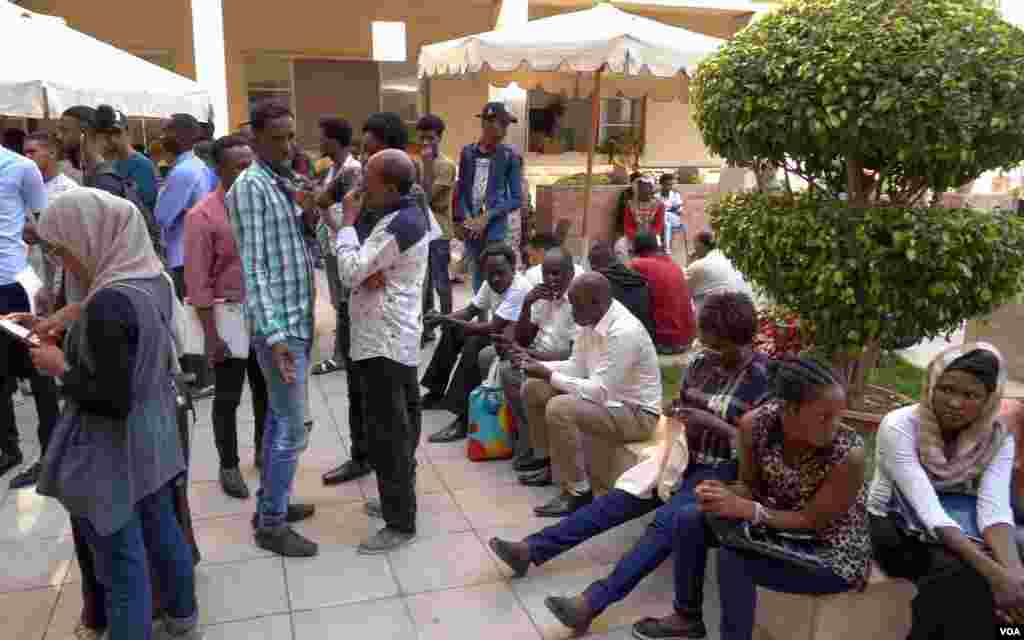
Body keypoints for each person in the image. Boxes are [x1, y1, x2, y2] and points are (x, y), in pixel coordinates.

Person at [491, 292, 771, 630]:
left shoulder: (762, 378)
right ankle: (531, 550)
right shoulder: (701, 363)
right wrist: (678, 411)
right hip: (680, 456)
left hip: (725, 470)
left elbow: (758, 448)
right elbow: (680, 403)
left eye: (715, 346)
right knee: (614, 502)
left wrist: (711, 422)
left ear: (734, 341)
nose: (706, 351)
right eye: (705, 343)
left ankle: (592, 602)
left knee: (666, 524)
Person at [28, 188, 200, 640]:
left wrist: (58, 366)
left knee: (121, 564)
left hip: (112, 447)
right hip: (154, 431)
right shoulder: (151, 279)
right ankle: (182, 619)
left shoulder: (109, 303)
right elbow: (124, 333)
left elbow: (109, 397)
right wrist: (69, 316)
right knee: (163, 527)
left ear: (91, 236)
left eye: (64, 249)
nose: (64, 262)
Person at [632, 357, 871, 640]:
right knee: (689, 517)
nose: (835, 425)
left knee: (736, 560)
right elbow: (751, 487)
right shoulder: (756, 426)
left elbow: (812, 520)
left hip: (829, 551)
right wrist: (720, 493)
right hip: (777, 525)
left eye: (839, 415)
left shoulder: (848, 454)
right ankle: (687, 617)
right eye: (824, 416)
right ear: (788, 409)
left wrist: (749, 510)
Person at [868, 344, 1021, 638]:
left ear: (989, 400)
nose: (954, 403)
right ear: (931, 385)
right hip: (895, 526)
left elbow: (995, 508)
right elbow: (928, 511)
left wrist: (1014, 576)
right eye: (947, 389)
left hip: (961, 519)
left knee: (1009, 567)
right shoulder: (899, 426)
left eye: (970, 395)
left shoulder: (997, 437)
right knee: (960, 573)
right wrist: (995, 573)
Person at [319, 111, 432, 487]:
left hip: (388, 312)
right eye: (364, 151)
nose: (364, 160)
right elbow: (351, 247)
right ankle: (364, 456)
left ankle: (399, 472)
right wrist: (361, 257)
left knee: (396, 401)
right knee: (360, 389)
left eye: (373, 151)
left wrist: (376, 267)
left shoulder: (404, 194)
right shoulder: (363, 186)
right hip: (364, 298)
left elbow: (412, 249)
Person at [226, 101, 318, 557]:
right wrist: (277, 335)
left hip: (296, 319)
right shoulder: (251, 187)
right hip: (280, 327)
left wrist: (310, 214)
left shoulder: (281, 183)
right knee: (291, 427)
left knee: (280, 420)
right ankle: (272, 524)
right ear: (256, 139)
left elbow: (294, 247)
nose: (288, 144)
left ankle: (271, 502)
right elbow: (255, 267)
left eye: (290, 135)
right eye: (278, 137)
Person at [514, 272, 662, 517]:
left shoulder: (623, 331)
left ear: (597, 303)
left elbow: (600, 391)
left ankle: (579, 491)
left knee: (560, 408)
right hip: (611, 402)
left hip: (636, 414)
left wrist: (548, 374)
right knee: (533, 388)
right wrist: (536, 365)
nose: (572, 312)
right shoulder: (591, 319)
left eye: (577, 306)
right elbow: (576, 366)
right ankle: (549, 464)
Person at [184, 135, 267, 499]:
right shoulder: (202, 216)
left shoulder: (262, 204)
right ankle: (229, 464)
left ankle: (265, 454)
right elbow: (198, 281)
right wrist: (212, 336)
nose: (249, 171)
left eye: (252, 163)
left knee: (267, 392)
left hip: (263, 314)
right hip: (227, 317)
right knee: (228, 397)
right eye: (239, 166)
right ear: (219, 169)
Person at [420, 243, 531, 443]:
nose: (495, 278)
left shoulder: (519, 288)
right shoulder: (491, 282)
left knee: (474, 342)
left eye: (500, 273)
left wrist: (445, 319)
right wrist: (443, 319)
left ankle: (462, 418)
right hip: (497, 334)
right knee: (454, 329)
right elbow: (470, 312)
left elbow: (491, 327)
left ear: (513, 269)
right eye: (490, 274)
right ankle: (435, 392)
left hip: (515, 341)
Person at [0, 141, 60, 488]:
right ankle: (8, 448)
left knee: (40, 372)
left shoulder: (21, 167)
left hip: (15, 283)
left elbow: (46, 226)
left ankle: (51, 452)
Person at [494, 246, 579, 473]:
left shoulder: (577, 302)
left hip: (559, 365)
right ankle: (528, 444)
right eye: (546, 274)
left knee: (511, 374)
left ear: (570, 274)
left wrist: (530, 356)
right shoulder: (542, 296)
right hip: (537, 353)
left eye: (556, 274)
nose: (550, 280)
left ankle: (535, 449)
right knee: (496, 359)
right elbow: (524, 336)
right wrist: (526, 304)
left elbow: (573, 355)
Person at [156, 113, 217, 397]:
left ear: (180, 136)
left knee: (190, 317)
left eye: (165, 131)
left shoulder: (183, 172)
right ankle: (203, 375)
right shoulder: (197, 166)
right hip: (193, 250)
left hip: (183, 254)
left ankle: (204, 378)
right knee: (195, 314)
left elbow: (162, 215)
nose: (160, 136)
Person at [310, 117, 362, 377]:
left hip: (343, 245)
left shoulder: (352, 171)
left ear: (334, 140)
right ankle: (344, 353)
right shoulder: (332, 170)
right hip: (331, 247)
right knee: (339, 302)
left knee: (345, 302)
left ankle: (342, 355)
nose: (319, 142)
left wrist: (328, 219)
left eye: (322, 137)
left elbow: (347, 217)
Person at [454, 102, 523, 291]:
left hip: (495, 227)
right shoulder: (467, 153)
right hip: (470, 225)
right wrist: (465, 218)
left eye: (506, 125)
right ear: (486, 124)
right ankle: (478, 318)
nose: (505, 130)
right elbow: (461, 188)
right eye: (502, 124)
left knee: (494, 274)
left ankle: (497, 318)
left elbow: (517, 198)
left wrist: (486, 218)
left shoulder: (510, 156)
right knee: (477, 273)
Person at [22, 132, 78, 315]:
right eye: (24, 153)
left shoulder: (69, 191)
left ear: (52, 153)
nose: (26, 158)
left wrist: (39, 231)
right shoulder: (21, 188)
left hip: (58, 281)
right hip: (25, 277)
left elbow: (72, 239)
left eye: (32, 152)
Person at [416, 114, 458, 338]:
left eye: (430, 138)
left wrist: (427, 165)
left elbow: (426, 197)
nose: (425, 143)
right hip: (420, 232)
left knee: (441, 282)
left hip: (439, 232)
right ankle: (427, 329)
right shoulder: (417, 164)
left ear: (439, 138)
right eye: (422, 138)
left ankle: (449, 326)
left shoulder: (446, 166)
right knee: (422, 284)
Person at [629, 230, 696, 355]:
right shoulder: (673, 264)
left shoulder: (638, 264)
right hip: (687, 338)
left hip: (666, 341)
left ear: (636, 248)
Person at [93, 105, 159, 211]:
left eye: (116, 133)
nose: (112, 138)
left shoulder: (142, 165)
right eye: (106, 133)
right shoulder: (104, 164)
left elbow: (146, 208)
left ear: (127, 132)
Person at [588, 240, 656, 341]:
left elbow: (598, 331)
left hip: (621, 344)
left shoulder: (600, 286)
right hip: (646, 340)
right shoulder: (638, 279)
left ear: (593, 266)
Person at [685, 231, 753, 313]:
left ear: (700, 245)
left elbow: (684, 292)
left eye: (694, 244)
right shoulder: (728, 258)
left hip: (715, 316)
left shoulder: (697, 266)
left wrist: (688, 264)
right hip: (741, 309)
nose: (693, 249)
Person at [658, 173, 685, 253]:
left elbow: (679, 210)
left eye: (671, 184)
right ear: (661, 184)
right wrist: (670, 208)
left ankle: (662, 246)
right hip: (662, 220)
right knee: (666, 224)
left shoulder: (675, 195)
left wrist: (666, 209)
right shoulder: (656, 195)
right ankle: (667, 248)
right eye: (667, 184)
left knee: (665, 215)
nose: (669, 187)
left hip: (674, 219)